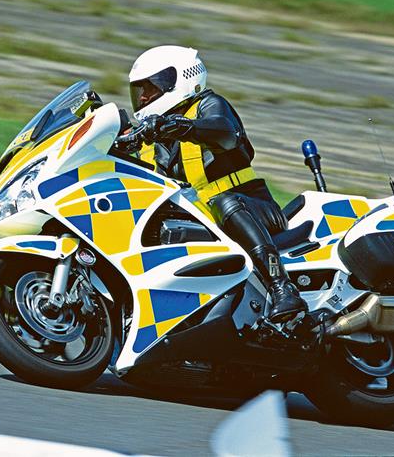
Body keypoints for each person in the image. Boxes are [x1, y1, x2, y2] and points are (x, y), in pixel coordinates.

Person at [127, 45, 306, 323]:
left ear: (180, 80)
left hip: (254, 209)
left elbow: (225, 133)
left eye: (150, 88)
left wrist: (179, 126)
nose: (143, 97)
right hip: (204, 220)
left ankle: (283, 287)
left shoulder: (209, 106)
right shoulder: (152, 138)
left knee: (226, 203)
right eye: (139, 90)